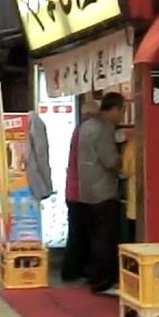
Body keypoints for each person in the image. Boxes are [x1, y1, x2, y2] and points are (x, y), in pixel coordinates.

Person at [76, 92, 124, 295]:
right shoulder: (104, 129)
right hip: (103, 190)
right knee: (105, 238)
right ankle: (103, 280)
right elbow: (110, 160)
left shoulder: (86, 125)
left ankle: (94, 276)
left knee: (94, 237)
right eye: (122, 111)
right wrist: (123, 159)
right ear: (114, 109)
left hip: (86, 191)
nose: (121, 116)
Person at [61, 101, 98, 282]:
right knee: (79, 232)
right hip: (80, 191)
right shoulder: (86, 131)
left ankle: (73, 269)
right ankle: (72, 270)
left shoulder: (79, 130)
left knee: (77, 232)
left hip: (74, 189)